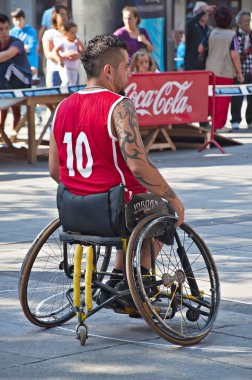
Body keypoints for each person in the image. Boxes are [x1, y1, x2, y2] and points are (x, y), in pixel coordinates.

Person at [48, 33, 184, 305]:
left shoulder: (62, 107)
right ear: (109, 71)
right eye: (126, 66)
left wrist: (85, 189)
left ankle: (116, 278)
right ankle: (140, 281)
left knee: (133, 206)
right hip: (113, 210)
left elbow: (55, 170)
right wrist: (172, 197)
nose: (130, 74)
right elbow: (138, 165)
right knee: (161, 211)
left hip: (73, 211)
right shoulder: (119, 106)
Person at [199, 6, 244, 132]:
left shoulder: (211, 32)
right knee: (223, 100)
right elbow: (235, 55)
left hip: (209, 71)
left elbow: (201, 48)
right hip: (225, 72)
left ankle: (210, 124)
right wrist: (239, 73)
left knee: (212, 98)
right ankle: (219, 125)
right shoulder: (232, 35)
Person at [0, 14, 32, 139]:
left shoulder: (16, 42)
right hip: (6, 83)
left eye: (6, 28)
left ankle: (13, 136)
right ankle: (7, 138)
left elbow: (7, 55)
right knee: (3, 110)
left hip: (22, 81)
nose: (4, 32)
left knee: (6, 65)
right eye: (1, 29)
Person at [230, 11, 252, 131]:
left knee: (251, 97)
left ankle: (250, 119)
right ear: (239, 23)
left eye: (248, 21)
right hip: (240, 70)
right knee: (237, 96)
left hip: (251, 69)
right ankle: (235, 120)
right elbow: (235, 54)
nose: (247, 23)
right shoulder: (235, 36)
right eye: (244, 21)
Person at [42, 4, 69, 86]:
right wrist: (62, 56)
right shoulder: (49, 33)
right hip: (55, 70)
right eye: (61, 14)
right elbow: (48, 54)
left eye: (66, 14)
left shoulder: (71, 33)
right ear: (55, 16)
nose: (64, 16)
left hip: (70, 71)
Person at [184, 2, 215, 71]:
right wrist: (203, 11)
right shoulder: (191, 26)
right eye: (202, 10)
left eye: (207, 11)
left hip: (206, 67)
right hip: (192, 68)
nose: (205, 13)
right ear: (195, 12)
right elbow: (190, 23)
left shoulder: (210, 29)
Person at [53, 21, 84, 86]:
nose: (74, 35)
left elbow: (82, 51)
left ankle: (71, 95)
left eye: (75, 33)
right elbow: (55, 51)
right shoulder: (63, 42)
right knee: (66, 81)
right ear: (65, 33)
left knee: (73, 84)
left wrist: (79, 43)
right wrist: (60, 60)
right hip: (65, 66)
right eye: (72, 33)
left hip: (74, 67)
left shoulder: (76, 43)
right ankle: (63, 94)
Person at [10, 8, 38, 76]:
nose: (18, 22)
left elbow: (31, 47)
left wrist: (16, 49)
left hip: (31, 65)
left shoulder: (31, 31)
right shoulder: (11, 32)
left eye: (20, 19)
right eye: (16, 20)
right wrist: (24, 47)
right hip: (16, 66)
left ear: (24, 19)